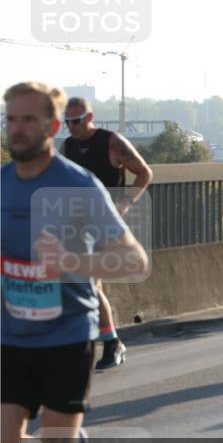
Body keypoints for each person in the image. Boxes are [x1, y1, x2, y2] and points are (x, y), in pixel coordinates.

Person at [2, 81, 149, 443]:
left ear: (51, 126)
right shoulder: (1, 184)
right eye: (9, 118)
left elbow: (135, 261)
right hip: (11, 337)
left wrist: (71, 263)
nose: (15, 128)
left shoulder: (80, 185)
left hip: (67, 335)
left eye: (27, 120)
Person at [60, 97, 152, 370]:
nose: (71, 126)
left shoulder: (112, 142)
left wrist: (124, 204)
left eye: (75, 121)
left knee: (88, 282)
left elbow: (145, 173)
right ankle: (98, 341)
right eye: (67, 121)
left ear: (89, 117)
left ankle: (111, 343)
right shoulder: (68, 145)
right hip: (76, 223)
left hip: (105, 224)